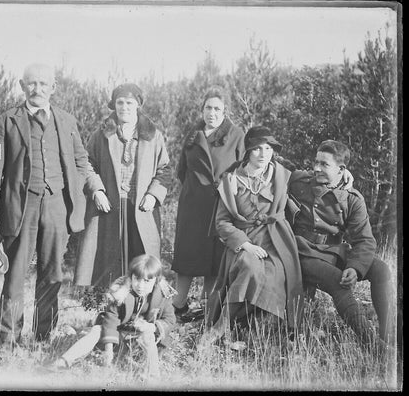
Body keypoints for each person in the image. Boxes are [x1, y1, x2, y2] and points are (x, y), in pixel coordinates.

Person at [0, 63, 90, 347]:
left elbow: (80, 162)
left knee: (52, 275)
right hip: (20, 208)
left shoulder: (67, 121)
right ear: (21, 85)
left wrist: (80, 195)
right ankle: (8, 341)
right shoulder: (6, 120)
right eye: (31, 83)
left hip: (58, 207)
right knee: (15, 275)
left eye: (43, 84)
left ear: (53, 87)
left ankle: (43, 338)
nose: (37, 89)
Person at [287, 140, 392, 347]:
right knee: (338, 281)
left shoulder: (352, 198)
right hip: (300, 251)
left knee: (381, 269)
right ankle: (374, 347)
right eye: (316, 162)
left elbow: (364, 239)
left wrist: (355, 267)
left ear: (341, 169)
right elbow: (272, 159)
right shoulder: (298, 181)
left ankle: (389, 334)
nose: (316, 168)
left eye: (324, 164)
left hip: (332, 251)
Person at [205, 126, 303, 339]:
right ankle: (221, 326)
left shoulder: (283, 174)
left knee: (275, 275)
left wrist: (345, 173)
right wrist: (245, 244)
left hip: (275, 240)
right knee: (250, 267)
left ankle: (251, 328)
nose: (263, 154)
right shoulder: (231, 179)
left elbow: (314, 178)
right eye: (257, 149)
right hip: (245, 240)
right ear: (248, 151)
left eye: (268, 149)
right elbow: (221, 222)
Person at [74, 83, 172, 288]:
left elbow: (165, 170)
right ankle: (108, 308)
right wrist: (97, 191)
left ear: (137, 105)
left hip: (140, 209)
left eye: (129, 102)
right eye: (120, 102)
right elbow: (87, 164)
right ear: (114, 105)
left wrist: (153, 195)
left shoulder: (153, 136)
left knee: (143, 263)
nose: (124, 107)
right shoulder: (101, 134)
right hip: (109, 207)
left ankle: (143, 307)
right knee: (108, 263)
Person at [171, 86, 245, 322]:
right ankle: (176, 307)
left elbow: (246, 168)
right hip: (193, 207)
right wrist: (196, 190)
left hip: (220, 206)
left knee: (214, 262)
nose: (212, 113)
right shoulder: (193, 134)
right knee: (187, 258)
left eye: (217, 109)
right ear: (202, 109)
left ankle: (205, 312)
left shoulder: (236, 135)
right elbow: (182, 170)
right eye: (208, 108)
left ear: (225, 111)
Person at [53, 254, 176, 378]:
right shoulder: (120, 293)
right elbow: (110, 320)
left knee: (147, 335)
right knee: (96, 330)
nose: (140, 285)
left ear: (157, 280)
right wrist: (109, 349)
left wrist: (152, 327)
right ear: (131, 276)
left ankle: (152, 375)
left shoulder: (163, 296)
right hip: (119, 335)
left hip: (143, 340)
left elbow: (170, 320)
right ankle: (65, 361)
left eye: (147, 281)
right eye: (137, 279)